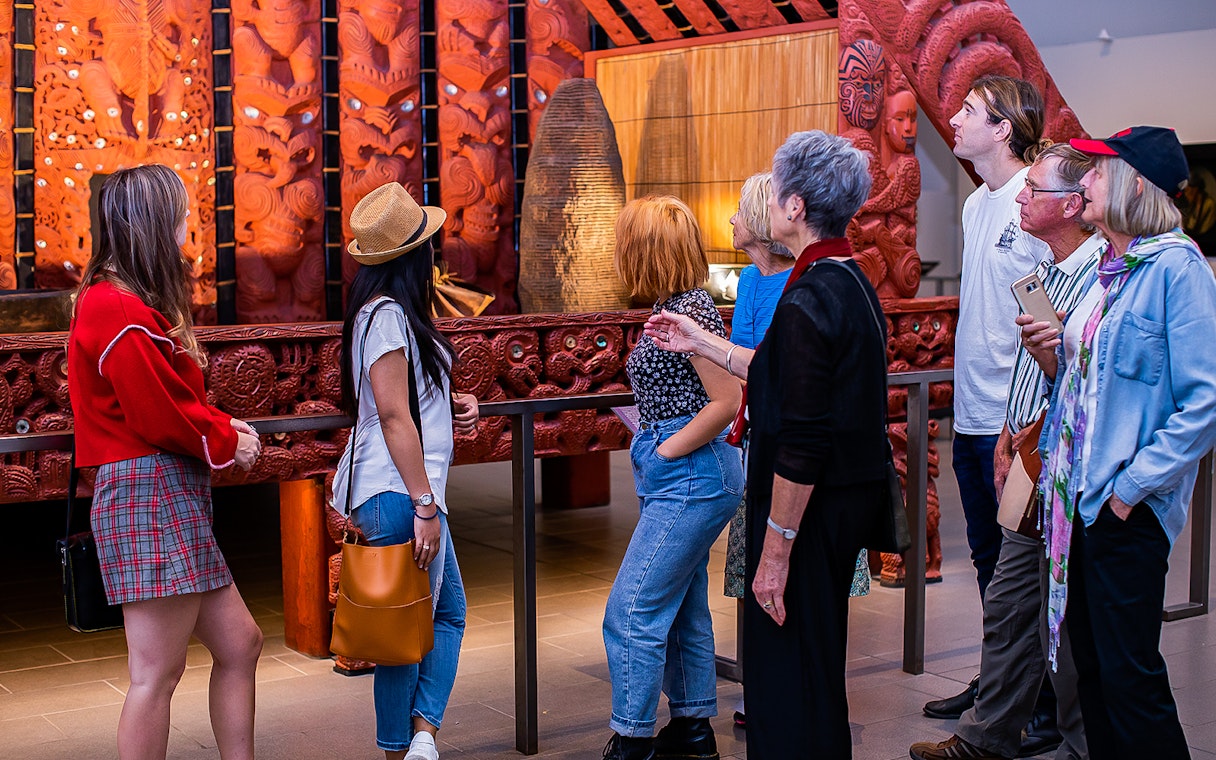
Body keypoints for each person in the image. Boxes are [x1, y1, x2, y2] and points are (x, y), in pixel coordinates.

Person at [646, 130, 885, 759]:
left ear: (796, 207)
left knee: (788, 678)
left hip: (810, 514)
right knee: (815, 664)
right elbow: (781, 370)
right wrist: (702, 344)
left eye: (777, 190)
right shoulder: (845, 277)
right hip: (837, 505)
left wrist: (775, 547)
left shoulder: (811, 294)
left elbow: (803, 437)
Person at [1021, 126, 1216, 760]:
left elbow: (1204, 401)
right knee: (1096, 674)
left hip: (1123, 505)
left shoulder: (1177, 270)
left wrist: (1131, 490)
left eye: (1098, 172)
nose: (1086, 182)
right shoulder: (1114, 268)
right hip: (1079, 499)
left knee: (1131, 679)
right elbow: (1092, 386)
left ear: (1134, 185)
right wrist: (1054, 356)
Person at [67, 164, 265, 759]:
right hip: (148, 492)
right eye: (180, 214)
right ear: (154, 224)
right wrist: (229, 441)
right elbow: (160, 415)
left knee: (240, 644)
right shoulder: (116, 308)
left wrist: (222, 428)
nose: (187, 226)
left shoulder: (118, 304)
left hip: (158, 492)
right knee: (156, 674)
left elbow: (165, 405)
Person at [911, 144, 1100, 760]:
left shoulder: (1101, 275)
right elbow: (1031, 367)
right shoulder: (1047, 267)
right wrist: (1004, 433)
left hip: (1066, 461)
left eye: (1033, 190)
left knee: (1063, 611)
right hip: (1025, 450)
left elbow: (1081, 379)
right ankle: (987, 737)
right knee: (1012, 597)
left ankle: (1066, 737)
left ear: (1071, 205)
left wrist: (1047, 372)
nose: (1020, 196)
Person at [330, 182, 480, 760]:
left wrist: (454, 404)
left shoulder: (385, 315)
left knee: (428, 616)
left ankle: (417, 738)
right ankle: (408, 743)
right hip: (401, 493)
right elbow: (392, 415)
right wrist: (423, 505)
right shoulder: (389, 315)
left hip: (400, 490)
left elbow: (405, 404)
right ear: (414, 256)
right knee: (409, 626)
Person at [926, 74, 1053, 723]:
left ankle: (1037, 702)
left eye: (970, 110)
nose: (954, 117)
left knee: (1021, 570)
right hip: (972, 418)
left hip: (1016, 424)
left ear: (1004, 128)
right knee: (985, 561)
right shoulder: (978, 205)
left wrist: (1022, 423)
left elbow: (1042, 317)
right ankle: (999, 682)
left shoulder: (1031, 206)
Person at [600, 195, 744, 760]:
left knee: (631, 608)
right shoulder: (679, 304)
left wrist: (665, 449)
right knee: (682, 606)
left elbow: (726, 401)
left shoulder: (692, 312)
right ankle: (692, 730)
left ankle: (631, 739)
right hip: (683, 471)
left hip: (691, 472)